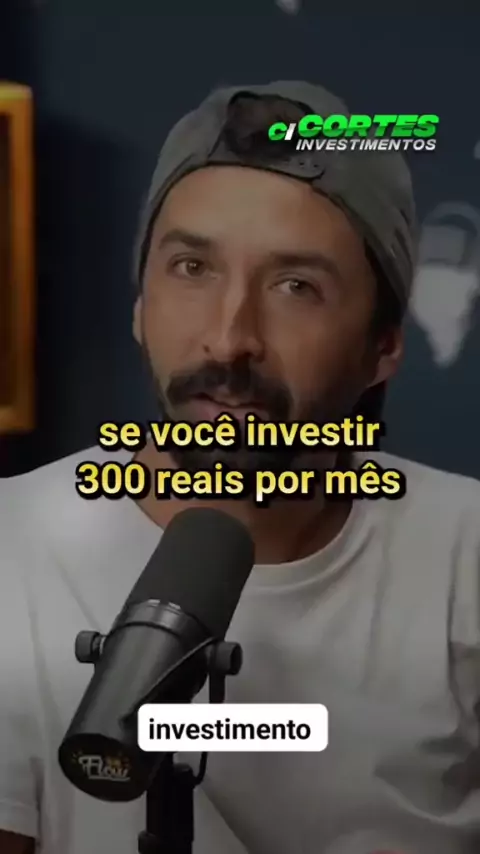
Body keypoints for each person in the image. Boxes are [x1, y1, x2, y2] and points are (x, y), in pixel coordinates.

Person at [0, 80, 479, 854]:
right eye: (192, 268)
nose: (228, 340)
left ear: (383, 346)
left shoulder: (465, 559)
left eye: (296, 286)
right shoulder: (12, 544)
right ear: (139, 305)